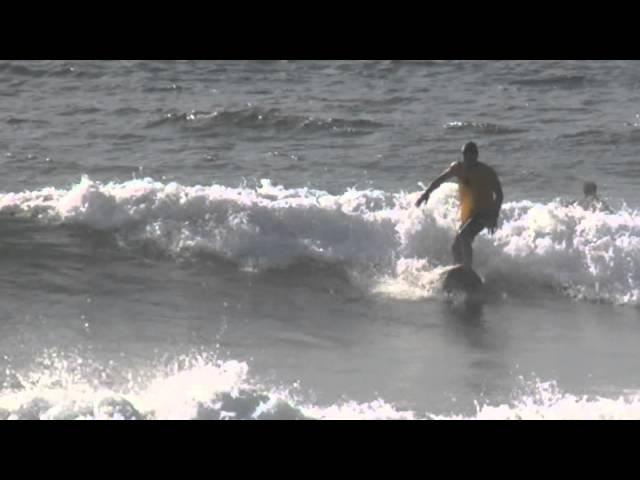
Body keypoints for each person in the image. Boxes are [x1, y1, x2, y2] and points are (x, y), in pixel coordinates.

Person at [415, 141, 503, 268]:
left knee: (464, 235)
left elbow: (499, 194)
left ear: (476, 156)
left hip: (485, 213)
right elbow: (440, 179)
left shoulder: (486, 172)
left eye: (471, 157)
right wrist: (426, 193)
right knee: (456, 247)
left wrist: (494, 216)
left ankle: (467, 269)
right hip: (470, 214)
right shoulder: (458, 168)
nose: (468, 160)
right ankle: (458, 272)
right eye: (465, 156)